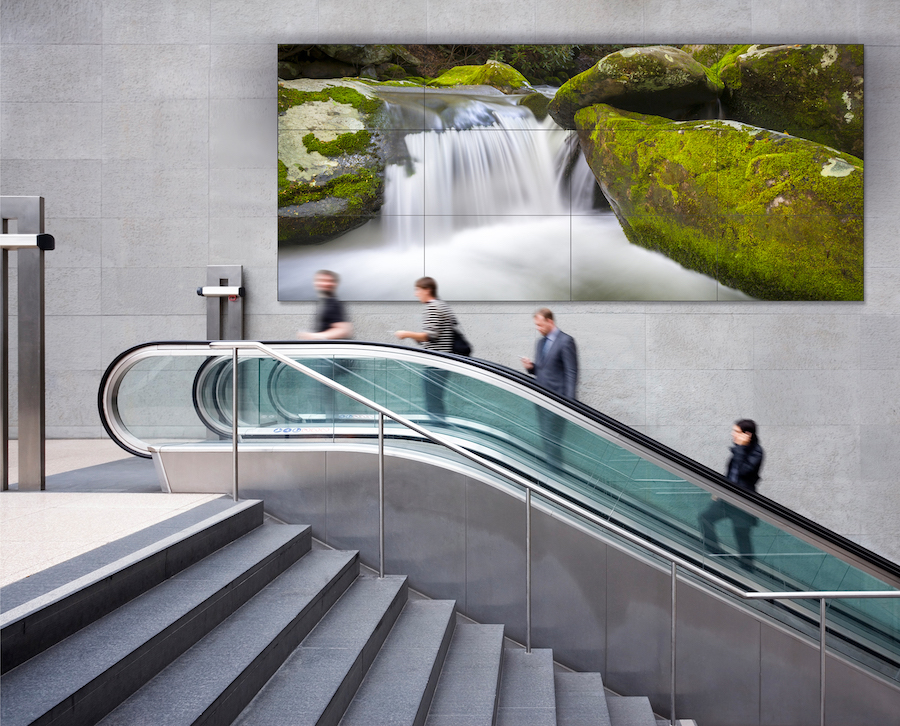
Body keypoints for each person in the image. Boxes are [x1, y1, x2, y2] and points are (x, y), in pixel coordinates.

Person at [699, 419, 764, 572]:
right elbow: (730, 473)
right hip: (726, 499)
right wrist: (719, 490)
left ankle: (747, 567)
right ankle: (715, 551)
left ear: (747, 434)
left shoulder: (757, 452)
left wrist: (741, 448)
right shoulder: (737, 449)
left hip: (742, 501)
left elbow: (744, 472)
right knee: (705, 518)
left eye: (736, 431)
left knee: (741, 533)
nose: (732, 434)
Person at [520, 308, 578, 467]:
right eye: (536, 325)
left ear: (550, 321)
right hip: (541, 402)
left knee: (553, 442)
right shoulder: (540, 343)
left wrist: (569, 403)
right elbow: (542, 370)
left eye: (540, 325)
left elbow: (571, 372)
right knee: (547, 441)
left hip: (558, 401)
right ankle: (553, 476)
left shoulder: (566, 341)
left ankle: (554, 477)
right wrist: (531, 367)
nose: (538, 328)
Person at [394, 277, 457, 420]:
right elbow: (436, 337)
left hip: (436, 363)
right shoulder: (442, 305)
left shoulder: (433, 307)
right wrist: (416, 337)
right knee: (436, 400)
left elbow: (432, 335)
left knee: (433, 402)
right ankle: (439, 428)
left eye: (418, 290)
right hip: (443, 361)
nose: (416, 294)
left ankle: (438, 431)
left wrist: (406, 334)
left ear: (427, 290)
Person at [296, 270, 352, 340]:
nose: (326, 284)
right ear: (315, 283)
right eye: (322, 280)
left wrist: (314, 336)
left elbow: (343, 330)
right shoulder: (324, 302)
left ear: (335, 284)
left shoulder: (334, 304)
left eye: (330, 281)